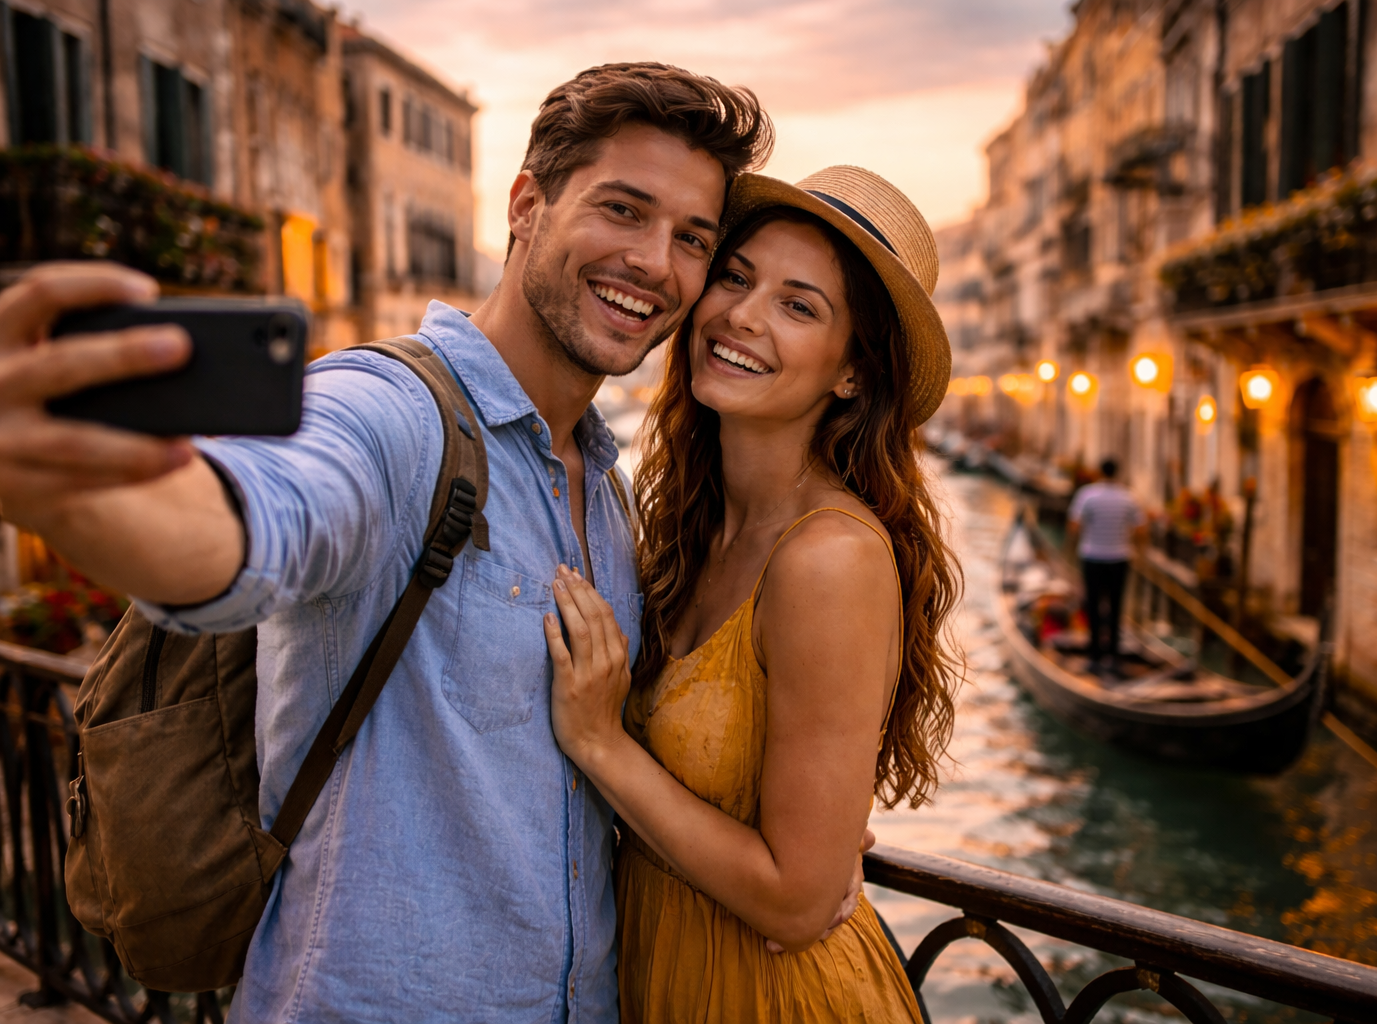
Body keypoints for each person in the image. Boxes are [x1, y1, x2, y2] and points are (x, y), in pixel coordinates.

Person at [0, 63, 860, 1023]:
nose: (657, 263)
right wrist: (84, 496)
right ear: (527, 204)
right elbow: (264, 517)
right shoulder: (396, 416)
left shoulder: (607, 492)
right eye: (623, 210)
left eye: (692, 238)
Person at [540, 167, 963, 1021]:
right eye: (736, 277)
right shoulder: (679, 527)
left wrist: (599, 742)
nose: (741, 315)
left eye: (799, 306)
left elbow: (799, 905)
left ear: (851, 374)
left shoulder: (828, 559)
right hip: (664, 975)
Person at [1066, 457, 1147, 668]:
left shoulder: (1087, 495)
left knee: (1093, 604)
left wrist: (1083, 537)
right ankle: (1113, 654)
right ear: (1117, 473)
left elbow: (1074, 526)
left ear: (1099, 472)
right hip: (1120, 558)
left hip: (1092, 556)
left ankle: (1094, 655)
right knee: (1116, 604)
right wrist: (1135, 548)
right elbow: (1140, 529)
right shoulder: (1129, 497)